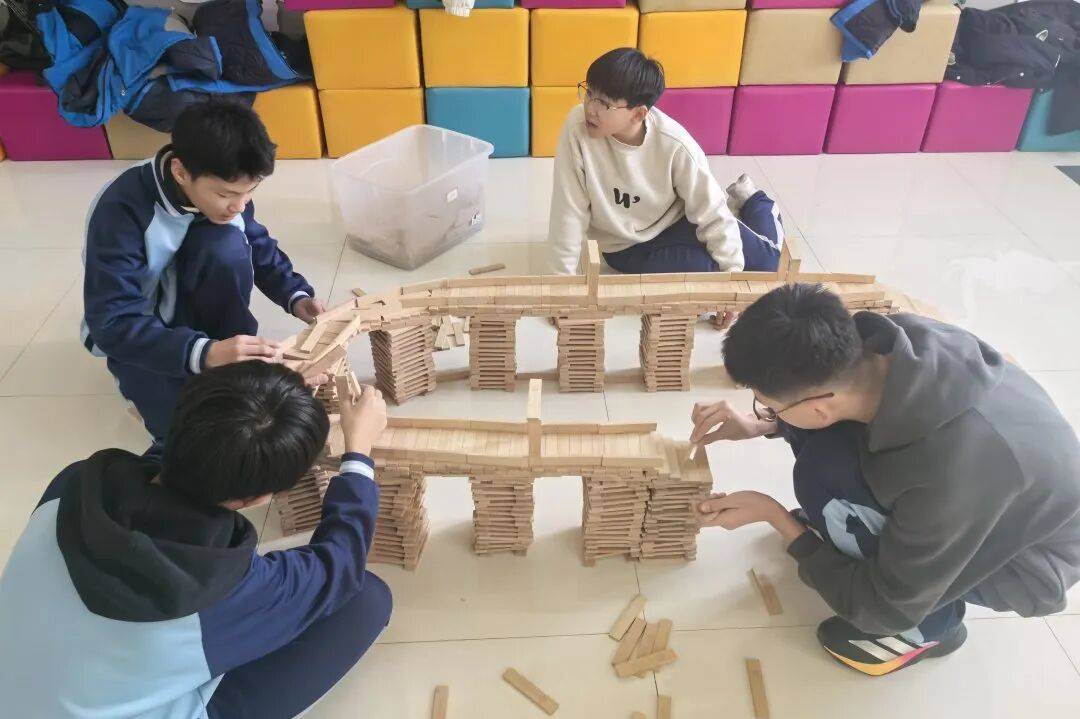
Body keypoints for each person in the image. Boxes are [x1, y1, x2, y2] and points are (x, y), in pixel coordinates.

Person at [689, 284, 1080, 676]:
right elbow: (825, 409)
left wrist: (776, 518)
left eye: (767, 405)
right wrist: (760, 424)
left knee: (821, 482)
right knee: (823, 461)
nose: (764, 410)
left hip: (1026, 562)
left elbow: (883, 608)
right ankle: (868, 542)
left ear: (819, 408)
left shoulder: (947, 477)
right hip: (988, 494)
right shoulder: (889, 342)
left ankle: (931, 628)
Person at [0, 361, 391, 717]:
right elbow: (340, 564)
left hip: (14, 693)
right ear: (256, 499)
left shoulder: (76, 481)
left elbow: (178, 456)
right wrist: (358, 452)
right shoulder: (225, 593)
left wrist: (266, 401)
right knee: (367, 598)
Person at [81, 99, 326, 443]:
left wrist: (295, 296)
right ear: (181, 172)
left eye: (249, 192)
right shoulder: (120, 211)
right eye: (227, 194)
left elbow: (256, 242)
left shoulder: (229, 189)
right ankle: (162, 373)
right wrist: (202, 353)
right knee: (192, 435)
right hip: (144, 329)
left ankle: (232, 356)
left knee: (226, 244)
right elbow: (112, 322)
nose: (239, 205)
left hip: (192, 303)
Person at [547, 47, 785, 280]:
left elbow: (710, 211)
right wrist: (561, 282)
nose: (590, 108)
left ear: (638, 114)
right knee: (708, 268)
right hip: (626, 248)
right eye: (589, 93)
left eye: (604, 104)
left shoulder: (675, 144)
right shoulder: (577, 130)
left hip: (680, 220)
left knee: (771, 263)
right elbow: (568, 210)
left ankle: (755, 201)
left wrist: (731, 275)